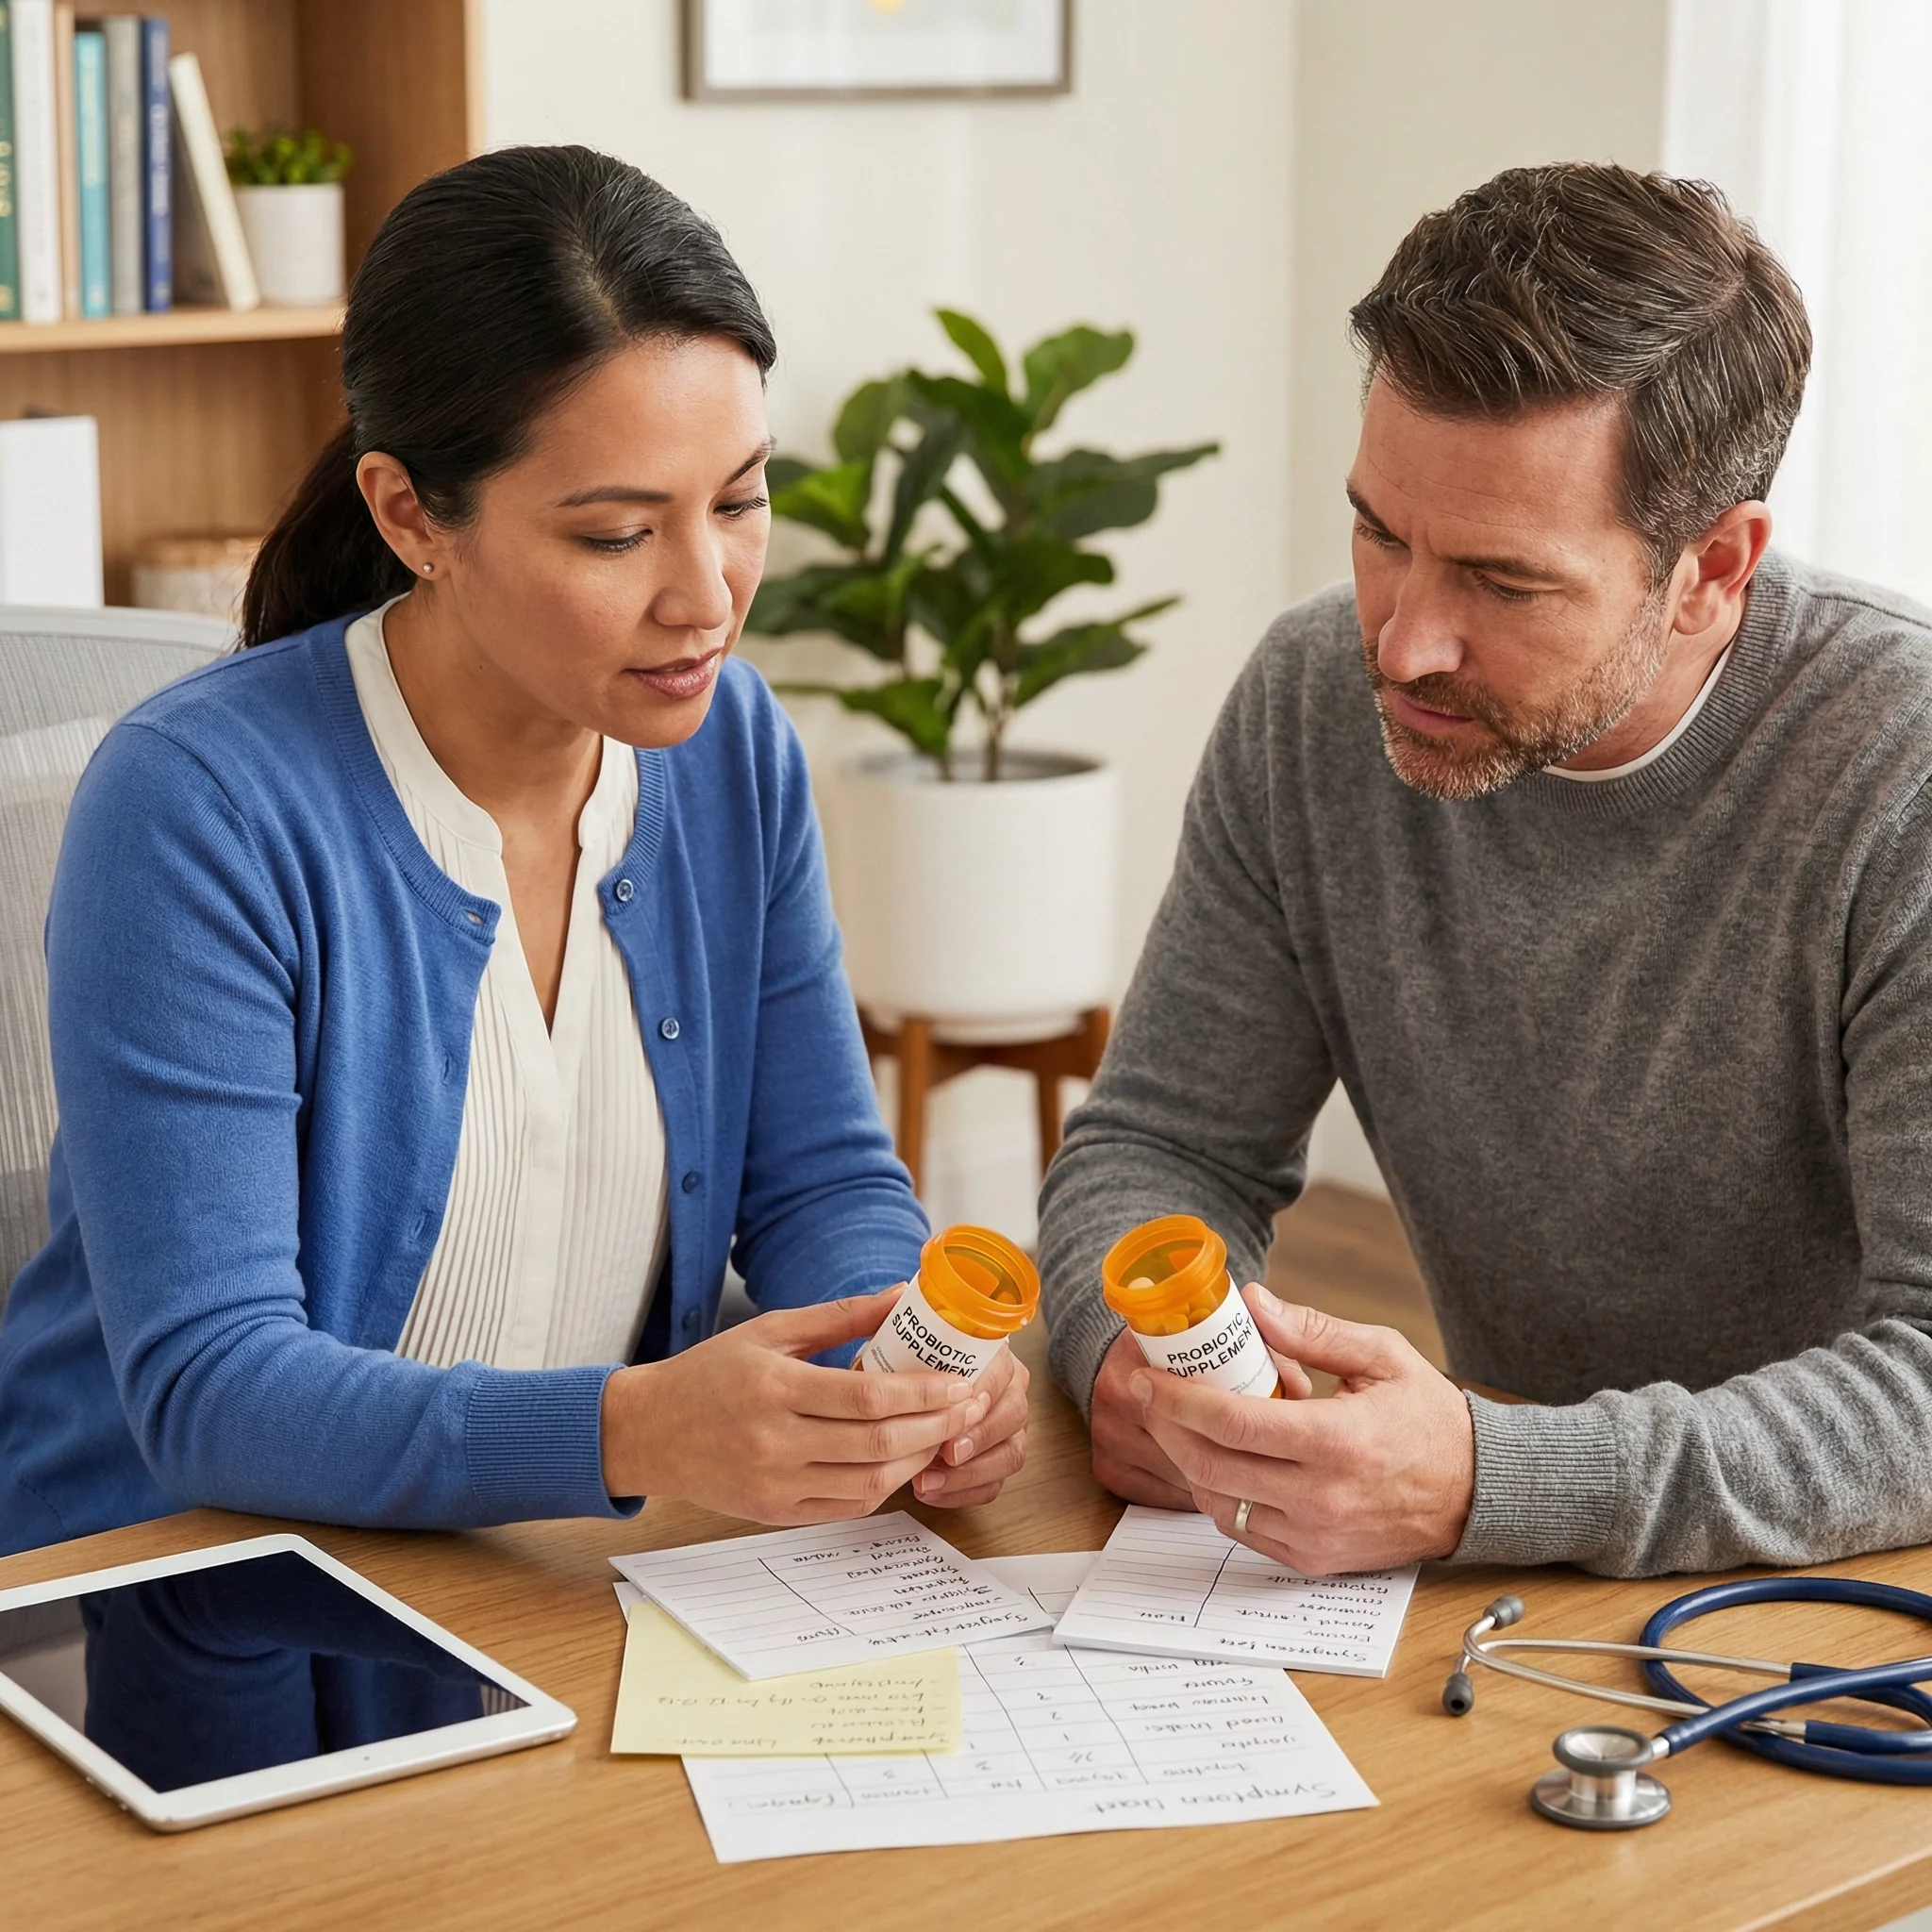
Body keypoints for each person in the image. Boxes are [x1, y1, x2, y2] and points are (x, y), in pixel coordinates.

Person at [0, 146, 1027, 1557]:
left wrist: (903, 1362)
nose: (708, 597)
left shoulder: (735, 753)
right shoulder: (198, 809)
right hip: (171, 1593)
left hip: (539, 1577)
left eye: (738, 501)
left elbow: (825, 1183)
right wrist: (635, 1429)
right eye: (616, 535)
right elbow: (208, 1387)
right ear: (411, 514)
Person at [1039, 160, 1932, 1580]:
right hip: (1525, 1585)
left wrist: (1497, 1478)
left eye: (1504, 584)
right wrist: (1130, 1361)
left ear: (1714, 566)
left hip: (1858, 1593)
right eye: (1383, 536)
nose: (1402, 644)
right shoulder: (1311, 698)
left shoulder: (1904, 772)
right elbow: (1165, 1144)